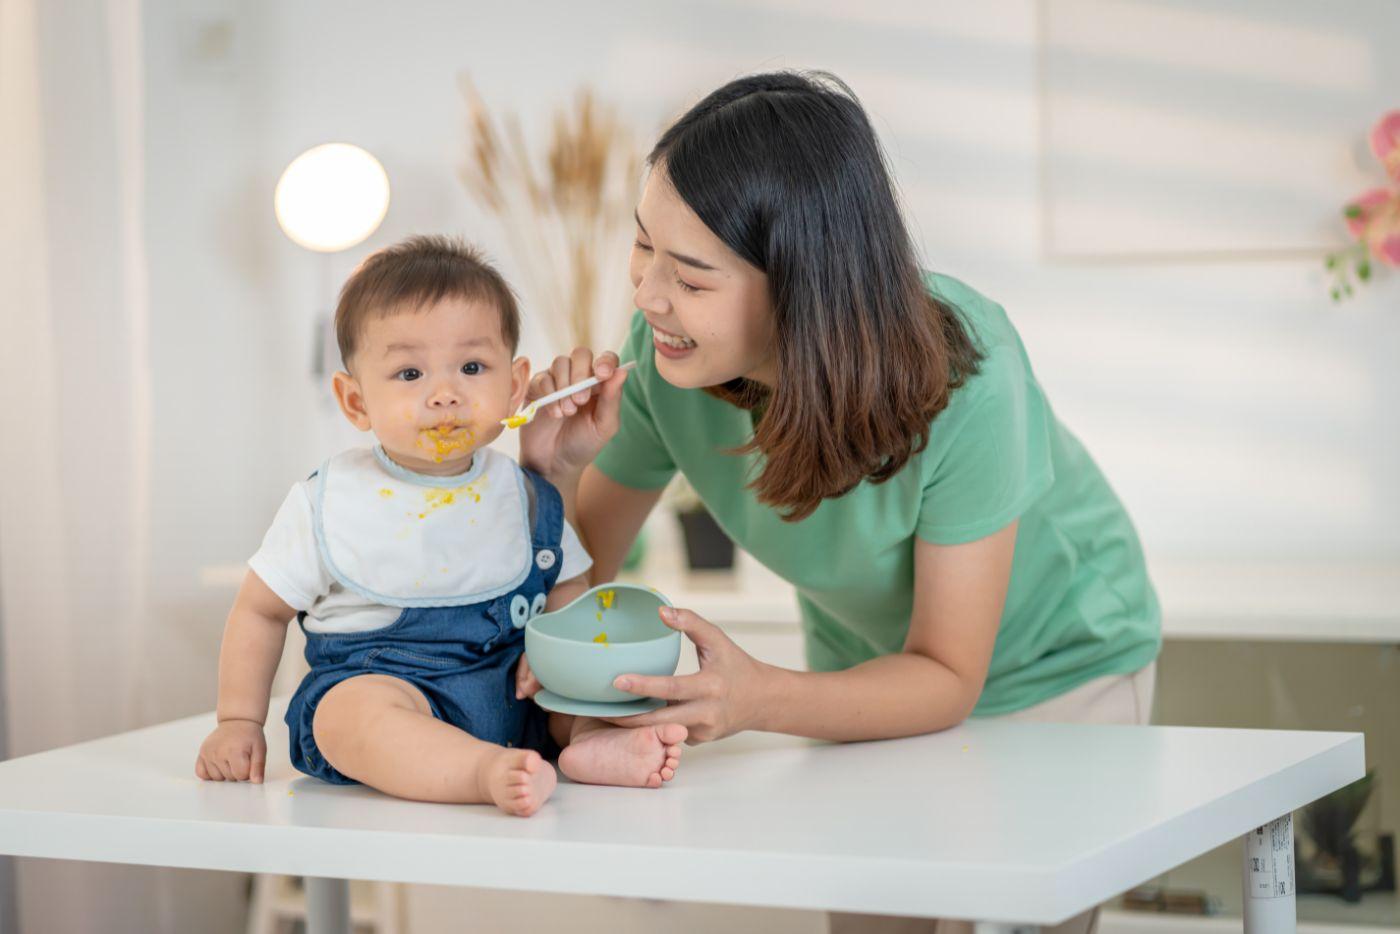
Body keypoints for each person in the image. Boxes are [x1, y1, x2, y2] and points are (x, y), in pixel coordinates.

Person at [519, 72, 1160, 928]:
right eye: (643, 247)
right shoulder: (665, 361)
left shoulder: (966, 376)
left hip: (1060, 669)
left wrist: (753, 698)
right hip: (869, 674)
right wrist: (553, 476)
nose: (646, 295)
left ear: (802, 282)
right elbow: (581, 590)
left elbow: (946, 675)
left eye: (693, 277)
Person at [195, 235, 684, 817]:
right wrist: (238, 721)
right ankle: (480, 771)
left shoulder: (526, 494)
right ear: (355, 402)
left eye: (472, 367)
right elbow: (259, 611)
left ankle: (591, 746)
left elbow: (568, 588)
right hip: (388, 685)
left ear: (512, 385)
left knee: (575, 694)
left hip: (514, 687)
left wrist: (556, 650)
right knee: (347, 716)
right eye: (409, 373)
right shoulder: (327, 501)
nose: (445, 394)